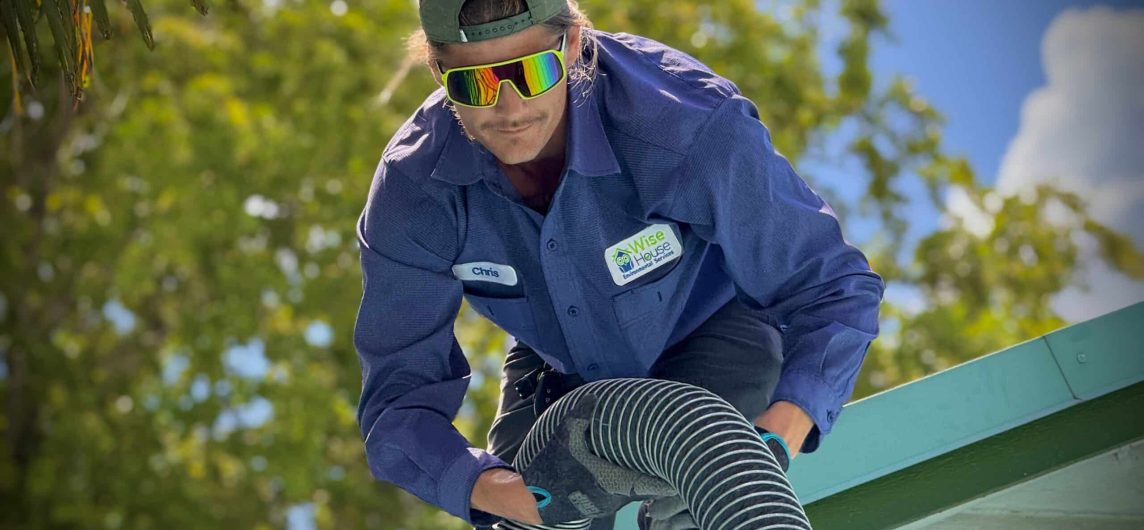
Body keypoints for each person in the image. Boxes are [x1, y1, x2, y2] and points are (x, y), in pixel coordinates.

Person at [351, 0, 885, 528]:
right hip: (556, 366)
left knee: (697, 510)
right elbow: (399, 402)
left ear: (576, 45)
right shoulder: (413, 192)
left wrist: (771, 441)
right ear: (439, 71)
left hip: (715, 330)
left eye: (534, 71)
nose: (510, 109)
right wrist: (500, 492)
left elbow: (831, 287)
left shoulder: (687, 124)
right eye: (475, 85)